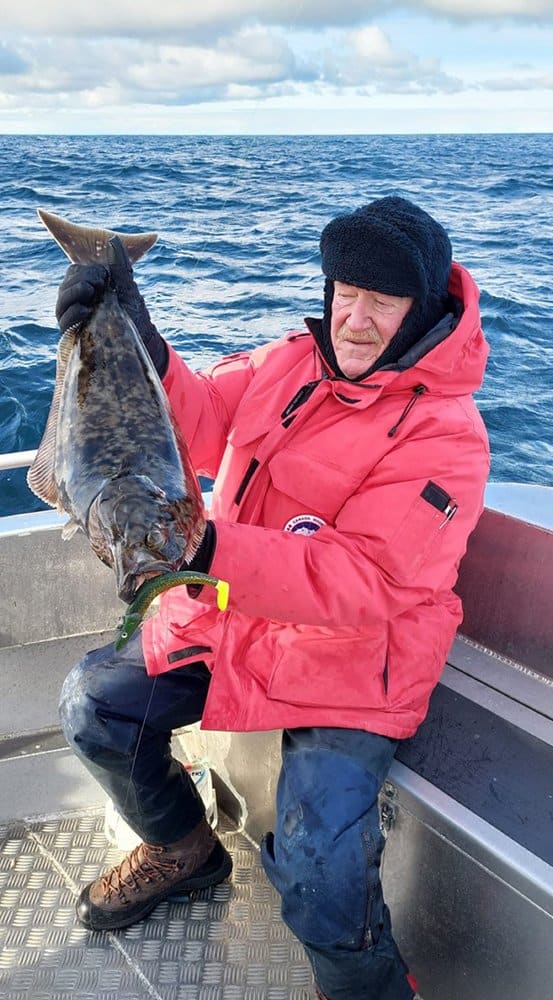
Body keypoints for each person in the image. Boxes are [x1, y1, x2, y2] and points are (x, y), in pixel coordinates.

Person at [55, 196, 490, 1000]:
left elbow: (367, 582)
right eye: (343, 294)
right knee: (95, 706)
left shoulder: (447, 436)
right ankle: (183, 850)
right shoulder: (290, 360)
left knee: (319, 871)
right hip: (235, 615)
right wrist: (138, 343)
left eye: (381, 303)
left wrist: (204, 545)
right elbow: (202, 416)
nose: (354, 320)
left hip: (357, 658)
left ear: (422, 308)